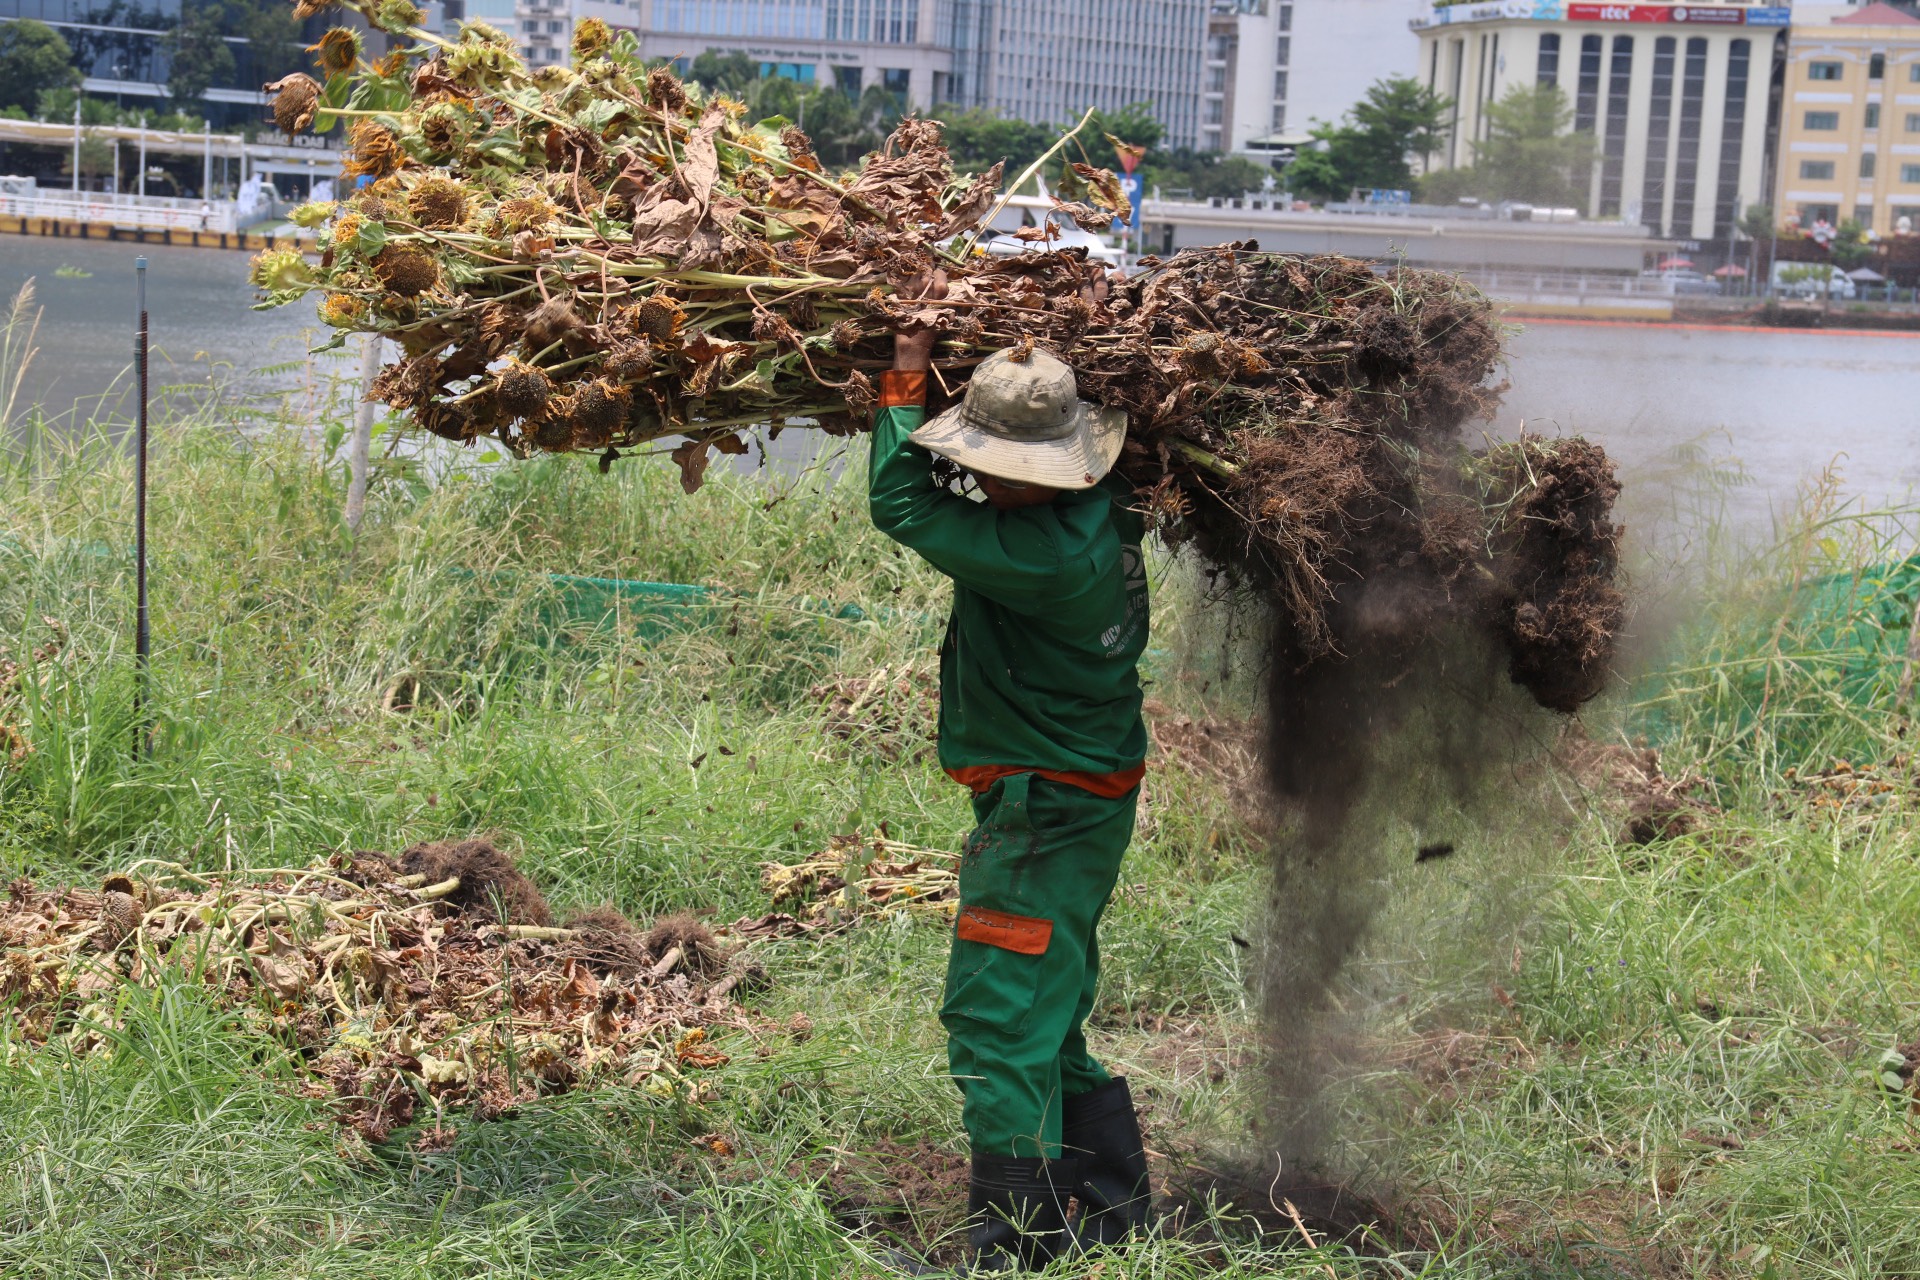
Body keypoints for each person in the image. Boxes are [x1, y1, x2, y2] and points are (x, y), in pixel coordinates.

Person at [868, 281, 1153, 1272]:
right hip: (1082, 793)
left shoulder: (1037, 558)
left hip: (1046, 809)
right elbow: (963, 500)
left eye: (991, 463)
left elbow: (897, 497)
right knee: (1046, 1002)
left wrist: (906, 367)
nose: (977, 477)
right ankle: (1112, 1203)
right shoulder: (1090, 514)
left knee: (996, 1012)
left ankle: (1015, 1245)